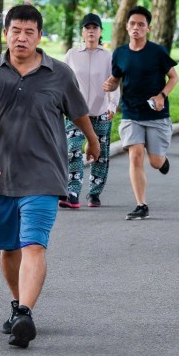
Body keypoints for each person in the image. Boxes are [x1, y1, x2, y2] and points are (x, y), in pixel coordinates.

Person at [0, 4, 100, 348]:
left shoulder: (60, 73)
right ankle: (18, 305)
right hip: (1, 176)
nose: (21, 37)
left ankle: (25, 311)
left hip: (44, 174)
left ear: (39, 36)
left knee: (34, 245)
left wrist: (93, 140)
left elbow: (79, 112)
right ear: (6, 33)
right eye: (15, 31)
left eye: (29, 32)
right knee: (9, 249)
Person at [102, 6, 179, 221]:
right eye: (133, 24)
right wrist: (111, 85)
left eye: (141, 25)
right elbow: (117, 78)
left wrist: (162, 95)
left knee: (154, 162)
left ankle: (162, 162)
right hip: (131, 112)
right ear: (127, 27)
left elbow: (174, 78)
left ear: (148, 28)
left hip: (156, 114)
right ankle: (141, 204)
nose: (136, 28)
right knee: (135, 156)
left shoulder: (157, 52)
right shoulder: (120, 53)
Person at [61, 13, 119, 209]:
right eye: (87, 28)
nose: (91, 31)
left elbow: (115, 82)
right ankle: (73, 192)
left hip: (101, 111)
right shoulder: (72, 54)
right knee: (73, 150)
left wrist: (112, 105)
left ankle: (94, 193)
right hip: (76, 112)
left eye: (95, 28)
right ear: (82, 31)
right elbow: (64, 81)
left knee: (100, 154)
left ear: (101, 32)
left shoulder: (108, 56)